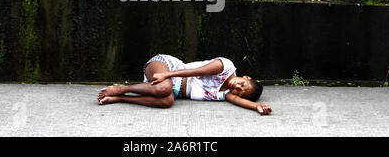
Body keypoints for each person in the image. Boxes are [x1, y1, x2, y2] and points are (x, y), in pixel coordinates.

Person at [97, 54, 272, 115]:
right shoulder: (224, 66)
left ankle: (121, 98)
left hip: (165, 86)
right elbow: (195, 72)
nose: (237, 88)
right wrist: (167, 73)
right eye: (242, 84)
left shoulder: (225, 93)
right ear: (246, 77)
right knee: (165, 88)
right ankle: (122, 88)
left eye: (240, 91)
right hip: (167, 66)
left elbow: (239, 101)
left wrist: (256, 107)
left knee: (168, 101)